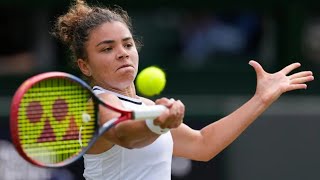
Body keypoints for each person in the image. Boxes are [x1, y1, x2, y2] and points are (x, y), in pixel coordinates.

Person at [53, 0, 314, 179]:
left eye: (127, 45)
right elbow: (124, 134)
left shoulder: (145, 107)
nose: (122, 54)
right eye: (107, 49)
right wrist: (159, 124)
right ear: (84, 66)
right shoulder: (97, 103)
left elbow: (204, 145)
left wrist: (261, 98)